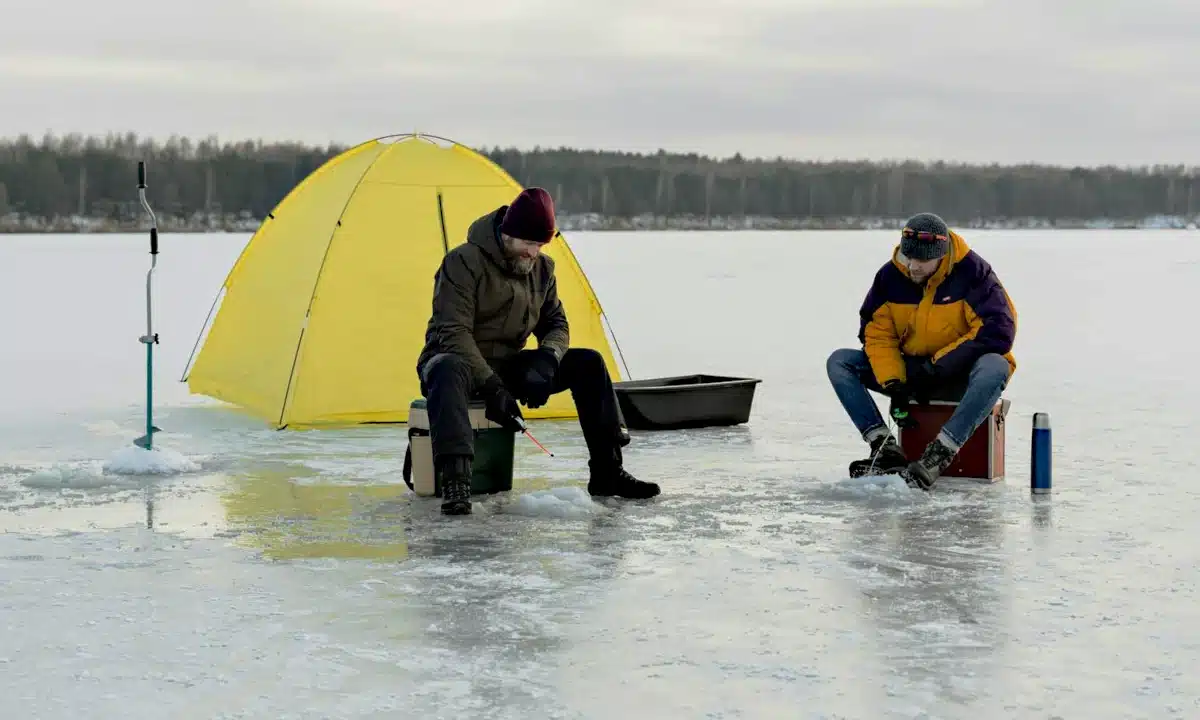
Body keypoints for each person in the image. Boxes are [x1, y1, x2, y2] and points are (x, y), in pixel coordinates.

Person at [415, 186, 660, 515]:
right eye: (528, 243)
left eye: (540, 244)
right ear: (507, 234)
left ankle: (608, 472)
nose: (534, 252)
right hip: (454, 363)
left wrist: (546, 361)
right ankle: (456, 483)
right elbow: (453, 333)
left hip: (505, 366)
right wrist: (491, 386)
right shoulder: (462, 263)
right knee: (446, 368)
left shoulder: (543, 270)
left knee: (588, 363)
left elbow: (557, 324)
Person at [826, 212, 1017, 490]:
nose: (913, 267)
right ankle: (884, 446)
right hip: (914, 372)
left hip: (963, 372)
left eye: (922, 261)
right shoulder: (890, 277)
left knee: (996, 366)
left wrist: (938, 366)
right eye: (909, 257)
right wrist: (894, 383)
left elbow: (998, 330)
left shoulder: (973, 273)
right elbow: (877, 334)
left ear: (941, 255)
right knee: (840, 362)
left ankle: (939, 453)